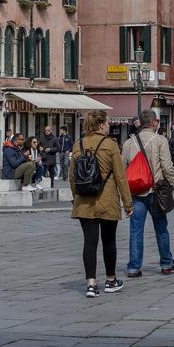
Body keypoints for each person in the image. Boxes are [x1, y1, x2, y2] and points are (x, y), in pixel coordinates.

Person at [70, 110, 132, 298]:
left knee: (89, 243)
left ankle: (91, 284)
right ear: (100, 125)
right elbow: (120, 176)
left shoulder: (77, 144)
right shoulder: (110, 144)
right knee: (109, 241)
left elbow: (72, 177)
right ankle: (111, 280)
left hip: (84, 202)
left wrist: (76, 197)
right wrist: (127, 203)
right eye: (107, 123)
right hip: (107, 200)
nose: (109, 126)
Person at [122, 109, 174, 278]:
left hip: (137, 192)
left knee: (135, 230)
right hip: (155, 191)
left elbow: (122, 169)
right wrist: (173, 185)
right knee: (161, 228)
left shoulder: (128, 143)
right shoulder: (160, 140)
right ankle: (166, 263)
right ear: (154, 123)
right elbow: (167, 166)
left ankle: (134, 267)